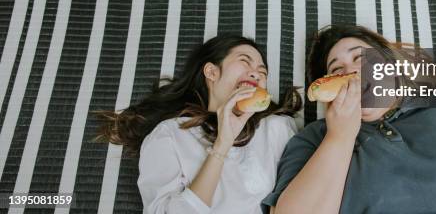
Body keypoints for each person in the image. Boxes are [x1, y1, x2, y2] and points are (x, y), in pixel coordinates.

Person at [262, 24, 436, 214]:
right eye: (336, 70)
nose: (351, 71)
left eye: (360, 58)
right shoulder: (312, 140)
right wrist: (339, 137)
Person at [92, 35, 302, 214]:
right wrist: (222, 144)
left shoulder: (278, 127)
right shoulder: (170, 134)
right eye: (245, 62)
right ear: (211, 72)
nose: (256, 73)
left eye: (262, 72)